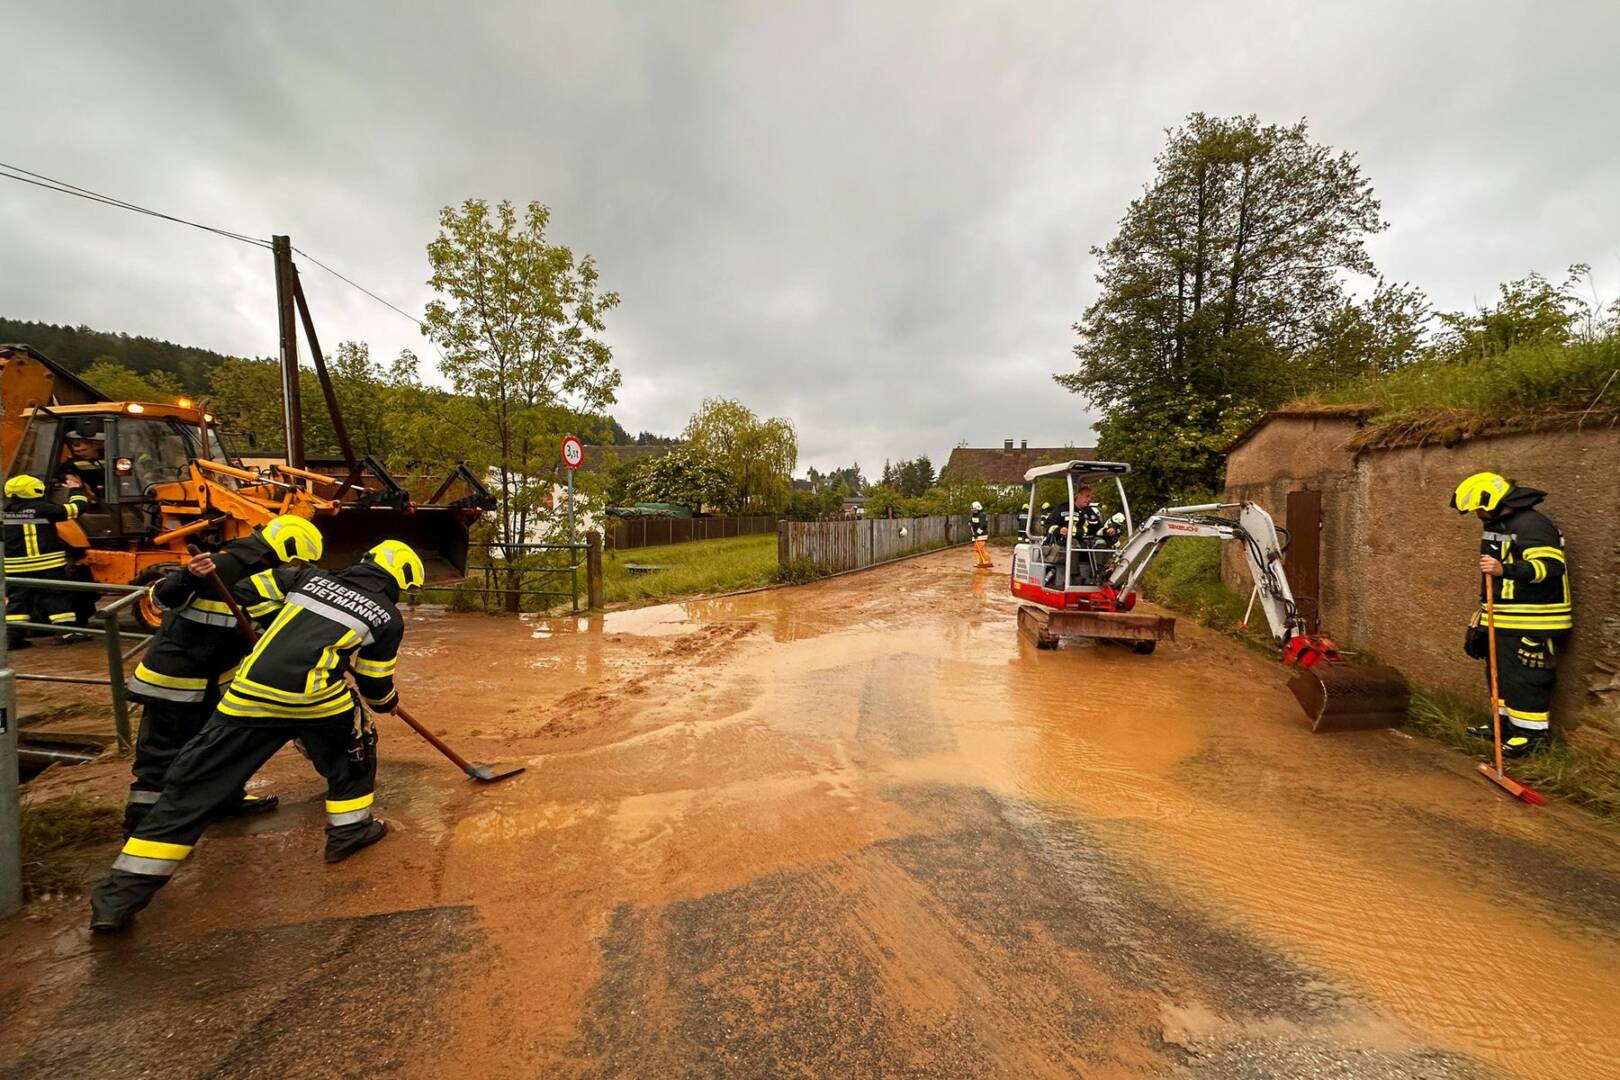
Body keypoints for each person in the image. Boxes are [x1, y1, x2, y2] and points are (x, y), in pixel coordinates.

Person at [89, 540, 424, 933]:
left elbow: (246, 590)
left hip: (249, 695)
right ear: (399, 579)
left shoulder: (305, 578)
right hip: (315, 701)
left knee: (193, 787)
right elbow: (373, 681)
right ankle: (349, 832)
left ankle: (117, 898)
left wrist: (278, 624)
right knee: (354, 750)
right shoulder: (386, 616)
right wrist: (387, 703)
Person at [121, 515, 325, 836]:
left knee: (220, 748)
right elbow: (158, 599)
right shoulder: (214, 566)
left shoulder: (265, 579)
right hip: (173, 683)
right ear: (283, 550)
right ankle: (144, 825)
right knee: (160, 756)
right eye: (296, 562)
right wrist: (187, 577)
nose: (296, 568)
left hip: (216, 684)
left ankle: (225, 800)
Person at [1452, 472, 1571, 758]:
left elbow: (1550, 567)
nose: (1478, 515)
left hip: (1534, 618)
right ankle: (1504, 725)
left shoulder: (1532, 525)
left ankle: (1531, 736)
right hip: (1505, 616)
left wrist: (1505, 569)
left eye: (1480, 509)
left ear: (1493, 502)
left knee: (1524, 676)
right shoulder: (1502, 524)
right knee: (1500, 676)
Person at [3, 474, 84, 649]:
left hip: (16, 568)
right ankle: (66, 633)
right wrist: (76, 489)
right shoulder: (43, 508)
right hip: (48, 565)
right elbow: (76, 509)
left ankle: (12, 639)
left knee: (17, 603)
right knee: (56, 597)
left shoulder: (5, 511)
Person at [56, 420, 108, 506]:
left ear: (96, 445)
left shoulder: (110, 457)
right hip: (94, 498)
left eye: (84, 450)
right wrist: (67, 476)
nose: (81, 453)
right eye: (77, 451)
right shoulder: (75, 461)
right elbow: (58, 472)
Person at [969, 501, 993, 568]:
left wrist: (977, 534)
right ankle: (980, 562)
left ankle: (988, 561)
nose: (972, 510)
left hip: (982, 535)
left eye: (974, 509)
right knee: (977, 549)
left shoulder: (982, 515)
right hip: (976, 535)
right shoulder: (974, 514)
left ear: (978, 508)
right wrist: (970, 522)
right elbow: (972, 521)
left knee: (981, 548)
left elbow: (983, 526)